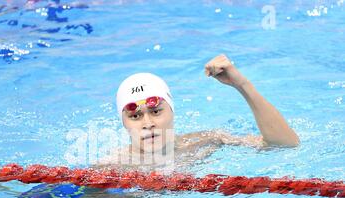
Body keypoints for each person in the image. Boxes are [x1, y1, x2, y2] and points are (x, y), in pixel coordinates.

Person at [96, 54, 300, 172]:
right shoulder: (114, 167)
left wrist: (242, 85)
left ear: (172, 112)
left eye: (156, 111)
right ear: (123, 123)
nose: (147, 123)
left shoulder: (206, 141)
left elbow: (284, 145)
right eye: (135, 116)